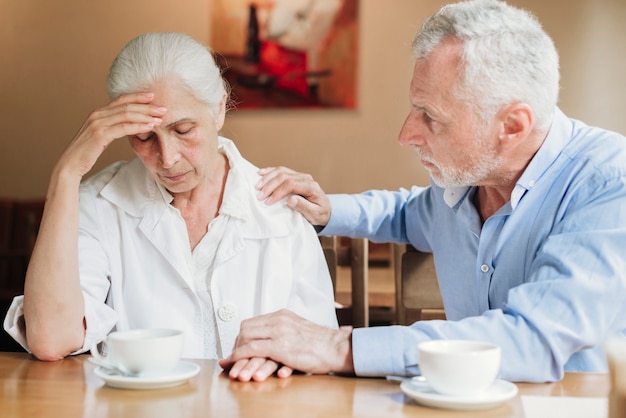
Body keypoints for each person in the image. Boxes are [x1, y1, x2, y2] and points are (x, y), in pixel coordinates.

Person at [219, 0, 626, 383]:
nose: (405, 134)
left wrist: (340, 345)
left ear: (513, 126)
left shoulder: (609, 182)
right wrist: (328, 211)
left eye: (431, 117)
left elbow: (533, 341)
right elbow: (408, 214)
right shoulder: (464, 180)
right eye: (415, 108)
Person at [3, 32, 338, 363]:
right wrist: (66, 173)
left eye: (182, 130)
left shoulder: (281, 207)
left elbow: (320, 352)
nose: (167, 158)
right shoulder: (98, 204)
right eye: (144, 136)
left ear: (219, 109)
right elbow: (51, 339)